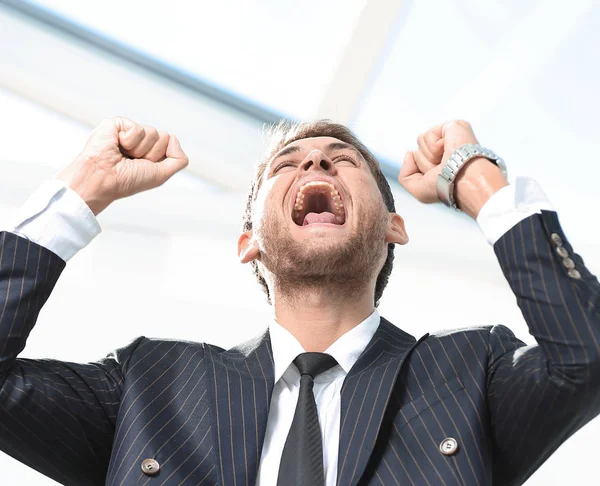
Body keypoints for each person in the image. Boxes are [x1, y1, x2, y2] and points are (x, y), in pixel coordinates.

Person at [0, 117, 598, 486]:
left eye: (344, 161)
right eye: (288, 164)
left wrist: (475, 178)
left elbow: (587, 357)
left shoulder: (472, 371)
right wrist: (80, 191)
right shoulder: (148, 384)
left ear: (395, 226)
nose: (315, 160)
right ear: (249, 244)